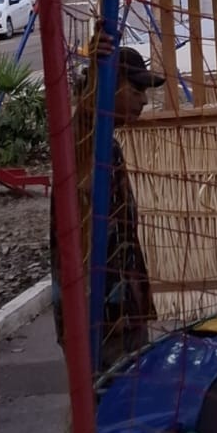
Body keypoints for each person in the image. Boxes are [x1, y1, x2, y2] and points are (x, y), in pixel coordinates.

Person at [50, 39, 161, 374]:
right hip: (96, 309)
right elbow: (87, 106)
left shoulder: (107, 144)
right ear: (108, 86)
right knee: (106, 402)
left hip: (124, 303)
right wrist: (99, 65)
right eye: (136, 89)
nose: (144, 100)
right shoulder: (84, 140)